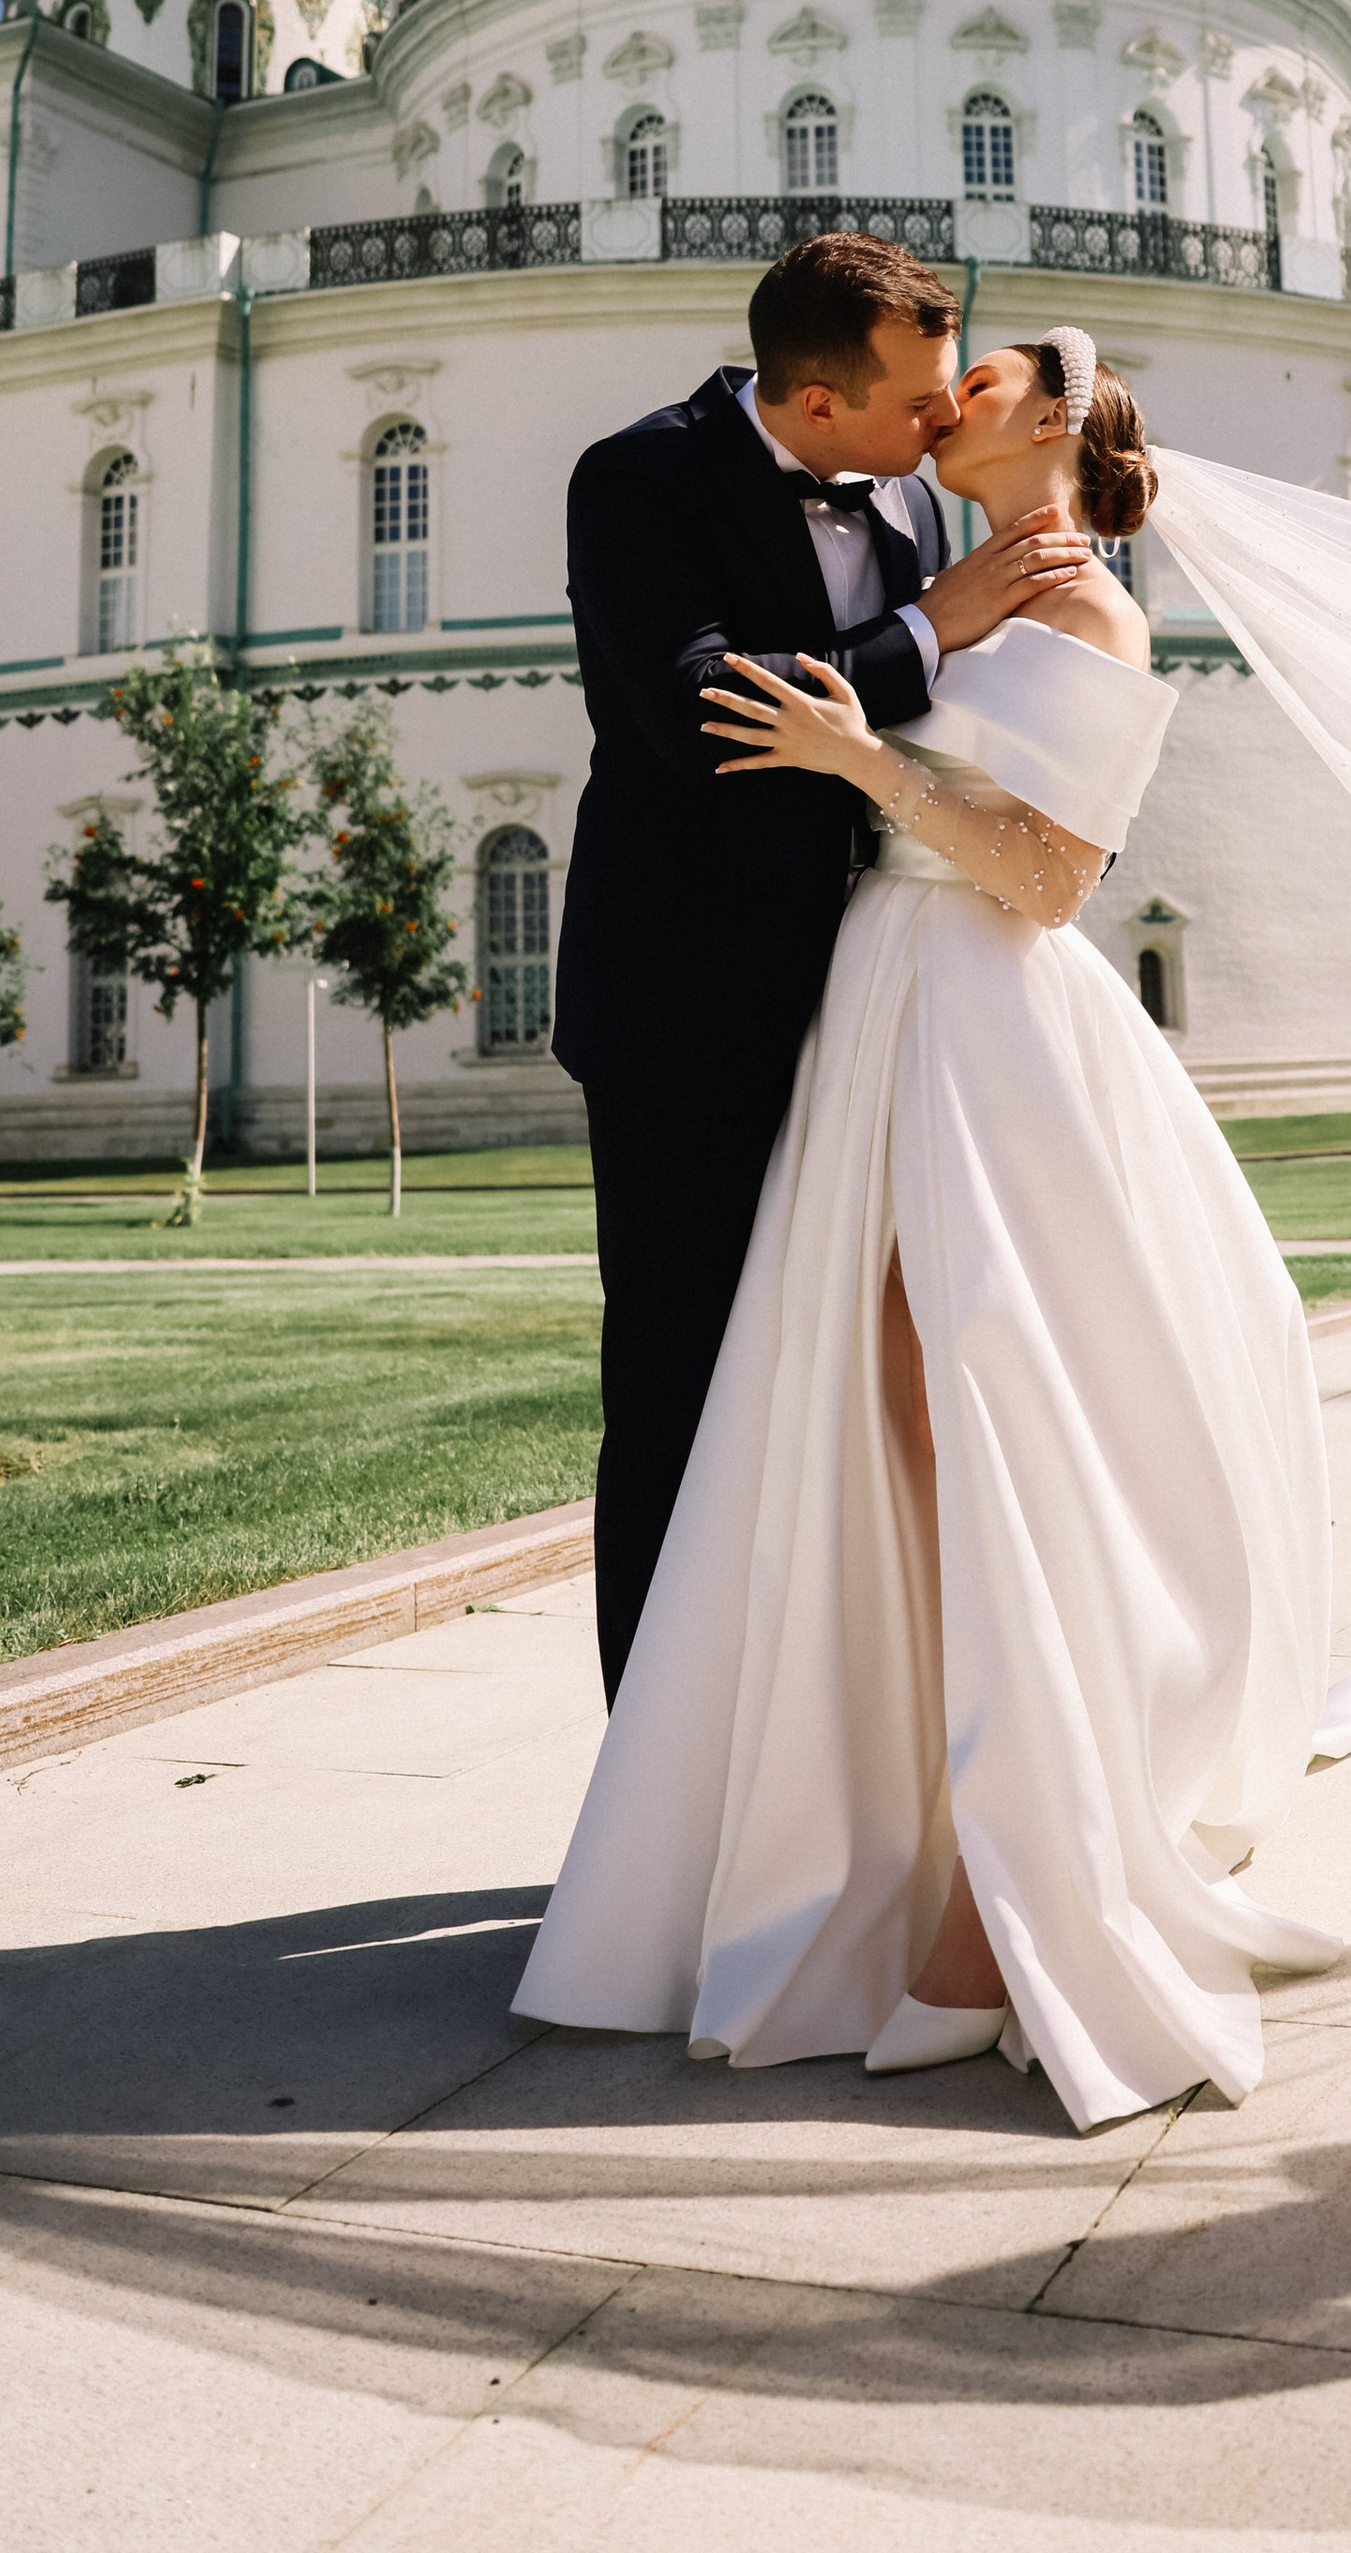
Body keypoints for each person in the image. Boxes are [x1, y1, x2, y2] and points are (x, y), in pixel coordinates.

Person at [518, 328, 1351, 2130]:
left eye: (991, 371)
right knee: (875, 1440)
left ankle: (1009, 1885)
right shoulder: (922, 550)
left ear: (1049, 419)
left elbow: (1054, 878)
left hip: (990, 1040)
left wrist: (860, 760)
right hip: (876, 1022)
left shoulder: (1091, 617)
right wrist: (877, 705)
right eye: (936, 367)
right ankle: (853, 1831)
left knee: (968, 1430)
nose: (949, 386)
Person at [551, 233, 1090, 1696]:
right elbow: (697, 719)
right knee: (680, 1395)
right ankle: (652, 1802)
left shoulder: (914, 496)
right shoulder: (638, 479)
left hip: (881, 1016)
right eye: (916, 399)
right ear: (812, 398)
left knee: (856, 1403)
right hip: (685, 1015)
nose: (937, 421)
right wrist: (931, 625)